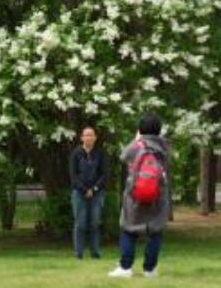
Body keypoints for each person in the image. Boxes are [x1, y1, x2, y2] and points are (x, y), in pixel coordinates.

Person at [109, 114, 171, 279]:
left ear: (140, 129)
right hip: (158, 196)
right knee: (155, 231)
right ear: (158, 130)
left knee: (128, 229)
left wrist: (136, 139)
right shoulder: (164, 147)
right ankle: (149, 269)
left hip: (135, 195)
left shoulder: (137, 146)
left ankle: (125, 267)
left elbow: (123, 156)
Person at [70, 125, 108, 259]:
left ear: (95, 138)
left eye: (91, 135)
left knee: (95, 224)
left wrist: (94, 189)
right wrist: (84, 190)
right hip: (79, 193)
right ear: (82, 138)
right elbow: (73, 175)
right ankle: (78, 253)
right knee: (80, 223)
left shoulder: (100, 154)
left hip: (97, 194)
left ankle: (95, 252)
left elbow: (104, 174)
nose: (89, 137)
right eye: (86, 135)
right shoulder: (76, 154)